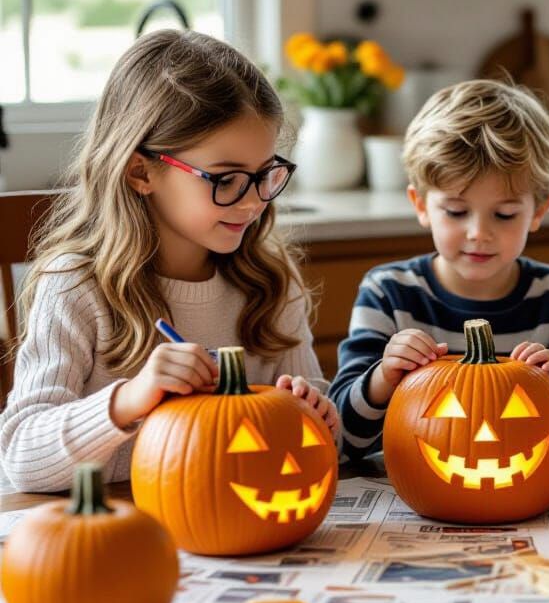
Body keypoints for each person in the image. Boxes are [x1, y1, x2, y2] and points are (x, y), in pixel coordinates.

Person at [0, 30, 338, 492]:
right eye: (227, 179)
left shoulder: (270, 279)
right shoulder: (75, 286)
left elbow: (316, 432)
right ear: (142, 171)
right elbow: (20, 458)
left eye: (263, 175)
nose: (254, 201)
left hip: (233, 522)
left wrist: (314, 409)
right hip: (114, 533)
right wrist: (130, 399)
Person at [330, 78, 549, 461]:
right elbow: (341, 439)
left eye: (505, 214)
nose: (479, 233)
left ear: (538, 211)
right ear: (421, 205)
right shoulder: (388, 293)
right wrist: (383, 378)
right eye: (456, 212)